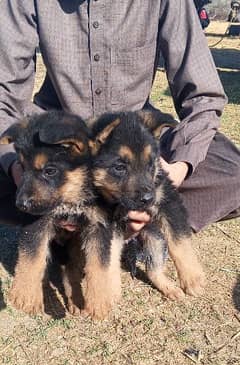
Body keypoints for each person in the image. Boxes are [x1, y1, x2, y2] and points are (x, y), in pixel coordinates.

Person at [0, 0, 239, 234]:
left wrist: (177, 170)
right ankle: (66, 225)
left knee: (233, 173)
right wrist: (24, 175)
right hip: (59, 139)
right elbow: (4, 97)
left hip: (131, 136)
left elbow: (204, 97)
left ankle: (136, 225)